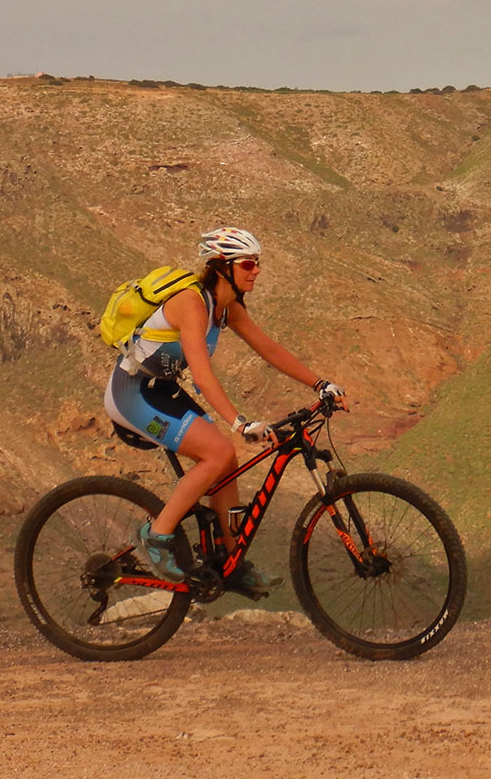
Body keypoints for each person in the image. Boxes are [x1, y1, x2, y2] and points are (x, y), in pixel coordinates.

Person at [104, 226, 346, 594]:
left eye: (257, 263)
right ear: (221, 267)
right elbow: (201, 373)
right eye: (248, 263)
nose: (256, 270)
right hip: (132, 392)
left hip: (162, 390)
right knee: (218, 453)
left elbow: (269, 348)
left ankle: (232, 565)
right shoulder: (190, 302)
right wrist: (239, 422)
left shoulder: (227, 306)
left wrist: (320, 383)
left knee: (226, 461)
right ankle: (155, 534)